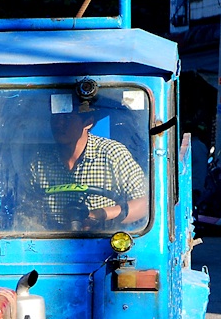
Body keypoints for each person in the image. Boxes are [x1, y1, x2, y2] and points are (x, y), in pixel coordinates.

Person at [29, 95, 147, 229]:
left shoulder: (112, 153)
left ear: (88, 123)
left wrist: (99, 215)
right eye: (55, 118)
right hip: (53, 240)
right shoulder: (39, 161)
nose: (58, 124)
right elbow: (28, 209)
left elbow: (143, 204)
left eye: (67, 118)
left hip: (104, 239)